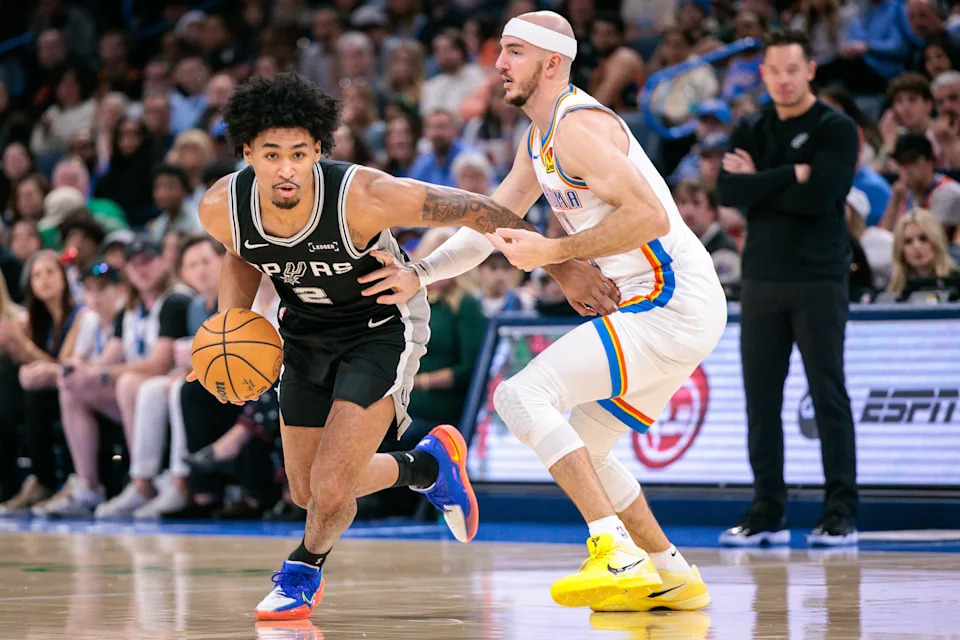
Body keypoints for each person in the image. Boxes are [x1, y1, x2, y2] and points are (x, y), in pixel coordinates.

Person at [192, 71, 617, 621]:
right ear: (246, 151)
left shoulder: (364, 196)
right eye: (271, 154)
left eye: (299, 153)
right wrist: (231, 325)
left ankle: (302, 570)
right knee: (305, 491)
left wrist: (561, 267)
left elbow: (477, 209)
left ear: (319, 149)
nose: (286, 168)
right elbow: (240, 250)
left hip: (380, 327)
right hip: (305, 333)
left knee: (331, 486)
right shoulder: (221, 205)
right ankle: (427, 465)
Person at [362, 11, 724, 612]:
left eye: (514, 52)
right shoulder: (538, 138)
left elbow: (652, 217)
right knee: (589, 450)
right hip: (658, 301)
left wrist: (556, 252)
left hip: (670, 298)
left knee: (519, 397)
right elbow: (488, 221)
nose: (499, 63)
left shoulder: (579, 126)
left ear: (553, 62)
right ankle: (671, 572)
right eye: (500, 51)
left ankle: (614, 550)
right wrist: (418, 274)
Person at [715, 30, 860, 547]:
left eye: (792, 69)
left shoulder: (835, 128)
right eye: (773, 70)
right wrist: (790, 175)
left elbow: (823, 196)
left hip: (819, 278)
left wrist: (764, 183)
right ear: (764, 74)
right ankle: (768, 511)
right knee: (761, 400)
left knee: (828, 396)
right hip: (761, 279)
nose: (782, 79)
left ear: (810, 70)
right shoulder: (752, 125)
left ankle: (840, 512)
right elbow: (728, 191)